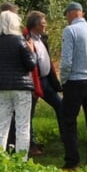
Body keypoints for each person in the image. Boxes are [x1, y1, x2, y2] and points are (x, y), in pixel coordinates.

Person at [55, 1, 87, 169]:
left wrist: (64, 80)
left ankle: (72, 161)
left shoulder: (70, 31)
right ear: (81, 13)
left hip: (74, 81)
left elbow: (66, 61)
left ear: (70, 14)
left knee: (69, 121)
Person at [0, 9, 35, 156]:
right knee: (22, 125)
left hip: (1, 87)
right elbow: (30, 64)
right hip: (21, 86)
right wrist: (32, 51)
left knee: (2, 124)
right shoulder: (20, 41)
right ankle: (21, 159)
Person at [23, 10, 61, 154]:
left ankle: (66, 137)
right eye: (43, 23)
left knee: (60, 105)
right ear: (35, 25)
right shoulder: (25, 39)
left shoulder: (42, 38)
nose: (46, 25)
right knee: (28, 114)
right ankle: (30, 145)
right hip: (33, 82)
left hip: (46, 81)